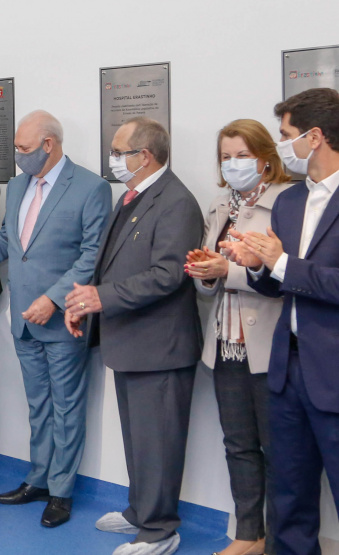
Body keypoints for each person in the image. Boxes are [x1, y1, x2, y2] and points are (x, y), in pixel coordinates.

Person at [0, 110, 111, 525]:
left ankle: (61, 492)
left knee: (66, 408)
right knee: (38, 405)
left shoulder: (91, 188)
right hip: (23, 318)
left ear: (48, 145)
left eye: (23, 148)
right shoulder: (20, 184)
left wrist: (54, 299)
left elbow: (91, 256)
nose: (18, 156)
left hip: (63, 320)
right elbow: (9, 240)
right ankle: (38, 478)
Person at [64, 117, 203, 555]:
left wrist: (100, 298)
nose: (112, 159)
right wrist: (87, 307)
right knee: (139, 439)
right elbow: (112, 265)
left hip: (161, 346)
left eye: (118, 151)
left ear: (144, 156)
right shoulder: (132, 196)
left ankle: (160, 530)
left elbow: (169, 275)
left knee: (158, 442)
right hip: (130, 341)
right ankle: (141, 510)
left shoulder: (176, 202)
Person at [223, 87, 339, 555]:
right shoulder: (290, 201)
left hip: (333, 371)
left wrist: (282, 263)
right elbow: (281, 285)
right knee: (289, 499)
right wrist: (257, 265)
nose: (282, 144)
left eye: (287, 134)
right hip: (286, 371)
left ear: (315, 137)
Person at [184, 119, 291, 555]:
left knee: (279, 451)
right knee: (238, 444)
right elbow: (209, 283)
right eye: (226, 157)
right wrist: (207, 273)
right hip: (225, 344)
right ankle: (249, 535)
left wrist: (229, 271)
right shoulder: (219, 205)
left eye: (242, 156)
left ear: (265, 158)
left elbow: (286, 277)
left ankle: (281, 540)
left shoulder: (287, 202)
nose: (233, 164)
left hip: (269, 345)